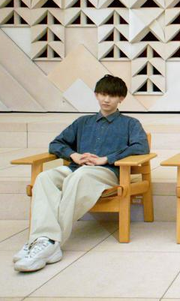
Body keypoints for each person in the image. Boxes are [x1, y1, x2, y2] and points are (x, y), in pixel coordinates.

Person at [14, 75, 149, 272]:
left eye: (112, 96)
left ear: (121, 98)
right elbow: (56, 143)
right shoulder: (82, 122)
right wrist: (74, 155)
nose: (106, 99)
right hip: (75, 168)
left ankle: (47, 241)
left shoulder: (130, 124)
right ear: (96, 95)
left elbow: (141, 146)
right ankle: (43, 241)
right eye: (102, 94)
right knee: (44, 178)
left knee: (81, 176)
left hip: (106, 173)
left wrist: (106, 158)